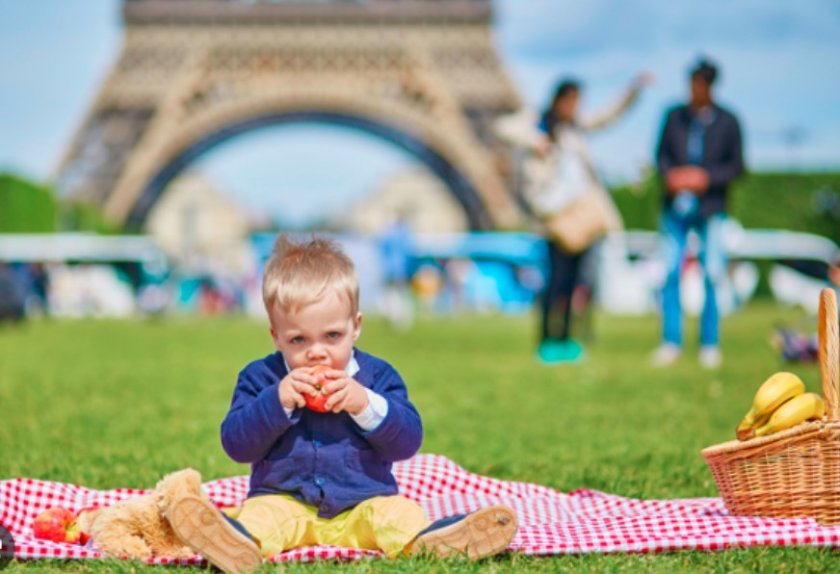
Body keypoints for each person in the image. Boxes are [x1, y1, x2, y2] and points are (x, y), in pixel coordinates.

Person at [161, 236, 518, 573]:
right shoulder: (261, 378)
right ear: (275, 336)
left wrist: (364, 405)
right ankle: (236, 544)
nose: (317, 351)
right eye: (298, 339)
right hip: (284, 501)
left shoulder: (377, 377)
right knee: (261, 518)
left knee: (399, 515)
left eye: (332, 335)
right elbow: (236, 445)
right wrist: (277, 402)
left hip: (364, 503)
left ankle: (436, 541)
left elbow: (408, 442)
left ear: (355, 326)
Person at [496, 73, 652, 363]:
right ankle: (546, 340)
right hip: (555, 216)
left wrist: (633, 91)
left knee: (575, 283)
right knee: (556, 280)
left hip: (581, 215)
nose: (575, 107)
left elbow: (608, 116)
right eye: (571, 101)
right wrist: (537, 141)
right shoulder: (537, 123)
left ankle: (566, 338)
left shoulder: (575, 129)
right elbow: (503, 127)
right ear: (559, 100)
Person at [650, 58, 745, 369]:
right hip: (674, 207)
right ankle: (670, 342)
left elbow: (737, 167)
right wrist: (672, 176)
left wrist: (706, 178)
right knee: (669, 274)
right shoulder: (673, 117)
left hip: (711, 207)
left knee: (713, 273)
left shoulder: (729, 121)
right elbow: (660, 156)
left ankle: (709, 343)